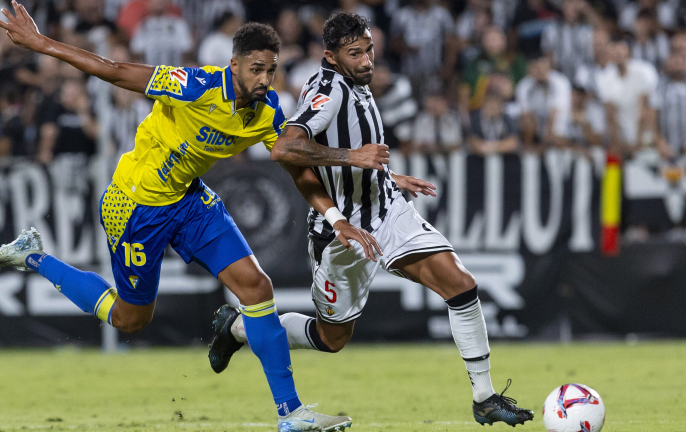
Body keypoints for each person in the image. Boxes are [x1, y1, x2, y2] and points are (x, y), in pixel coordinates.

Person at [0, 2, 387, 430]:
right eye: (255, 69)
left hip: (188, 199)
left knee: (256, 287)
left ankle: (291, 414)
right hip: (136, 203)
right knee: (130, 319)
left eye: (271, 70)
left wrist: (335, 218)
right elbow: (115, 69)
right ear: (233, 65)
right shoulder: (195, 84)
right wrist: (41, 43)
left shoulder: (268, 113)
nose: (263, 80)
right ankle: (34, 257)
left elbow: (298, 169)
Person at [208, 13, 534, 428]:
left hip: (388, 211)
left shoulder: (355, 82)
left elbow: (348, 149)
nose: (366, 61)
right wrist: (354, 158)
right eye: (355, 53)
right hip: (341, 232)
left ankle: (484, 397)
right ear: (330, 55)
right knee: (331, 339)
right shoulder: (326, 90)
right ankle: (237, 328)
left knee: (461, 284)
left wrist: (385, 176)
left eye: (369, 51)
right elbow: (286, 147)